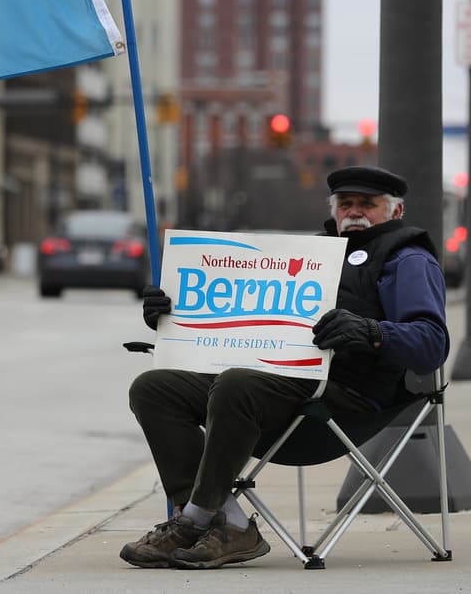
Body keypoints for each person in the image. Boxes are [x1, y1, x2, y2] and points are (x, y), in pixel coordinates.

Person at [120, 165, 449, 570]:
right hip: (266, 388)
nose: (354, 212)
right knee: (153, 388)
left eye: (368, 204)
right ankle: (226, 522)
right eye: (345, 204)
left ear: (395, 212)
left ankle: (194, 520)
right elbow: (238, 313)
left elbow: (432, 343)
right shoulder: (305, 256)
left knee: (235, 384)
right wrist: (174, 315)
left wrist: (372, 331)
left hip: (343, 398)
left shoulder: (407, 260)